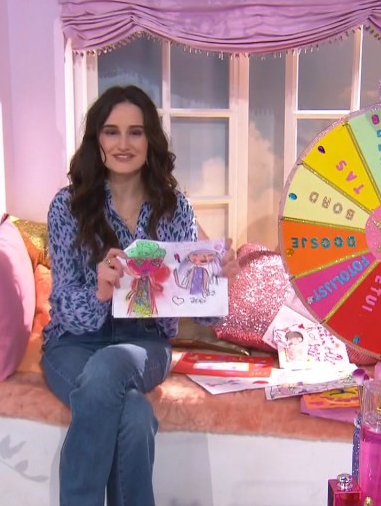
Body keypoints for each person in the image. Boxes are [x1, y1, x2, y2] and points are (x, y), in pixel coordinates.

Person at [41, 85, 240, 506]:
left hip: (144, 342)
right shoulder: (67, 207)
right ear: (97, 140)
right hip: (74, 343)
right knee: (133, 416)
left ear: (150, 140)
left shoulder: (175, 207)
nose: (123, 144)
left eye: (135, 132)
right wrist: (99, 290)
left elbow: (204, 316)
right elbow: (63, 307)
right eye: (111, 132)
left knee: (110, 365)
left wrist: (219, 281)